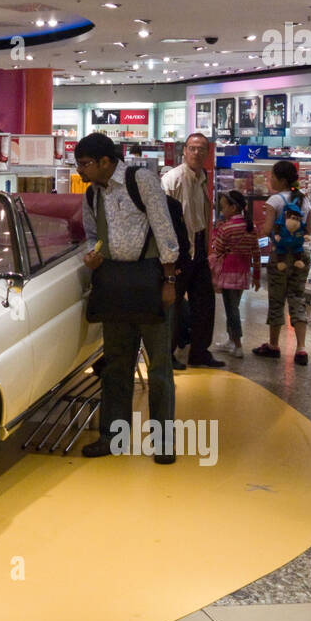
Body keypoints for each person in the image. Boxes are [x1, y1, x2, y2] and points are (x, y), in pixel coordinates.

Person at [75, 133, 179, 462]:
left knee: (160, 368)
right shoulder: (92, 194)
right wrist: (92, 255)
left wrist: (170, 279)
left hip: (150, 279)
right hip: (115, 283)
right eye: (78, 165)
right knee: (116, 367)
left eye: (86, 164)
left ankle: (163, 442)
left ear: (107, 162)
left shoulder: (141, 180)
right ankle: (112, 438)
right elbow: (93, 237)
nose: (81, 171)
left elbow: (164, 229)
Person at [161, 133, 225, 368]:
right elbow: (163, 218)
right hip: (178, 249)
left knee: (205, 302)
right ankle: (167, 353)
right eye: (192, 148)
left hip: (198, 247)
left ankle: (199, 351)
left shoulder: (202, 177)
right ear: (184, 151)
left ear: (207, 153)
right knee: (174, 303)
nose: (197, 153)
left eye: (201, 149)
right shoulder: (172, 179)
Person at [253, 159, 311, 364]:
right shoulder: (304, 199)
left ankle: (274, 345)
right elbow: (309, 230)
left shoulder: (275, 201)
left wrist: (262, 233)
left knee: (277, 300)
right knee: (297, 298)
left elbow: (268, 230)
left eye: (273, 177)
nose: (270, 180)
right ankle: (302, 348)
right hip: (300, 256)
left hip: (279, 256)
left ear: (282, 180)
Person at [209, 190, 261, 358]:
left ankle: (237, 344)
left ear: (233, 207)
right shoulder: (251, 227)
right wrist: (257, 276)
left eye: (224, 207)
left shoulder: (226, 227)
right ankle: (231, 340)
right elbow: (256, 252)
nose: (222, 210)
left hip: (228, 272)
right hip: (243, 272)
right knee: (234, 307)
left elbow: (218, 249)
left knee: (231, 310)